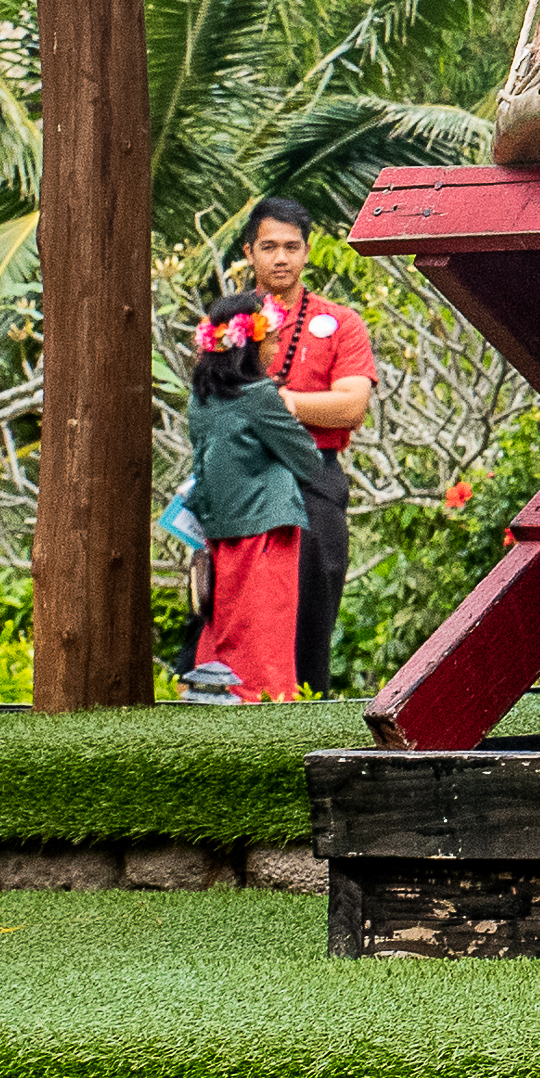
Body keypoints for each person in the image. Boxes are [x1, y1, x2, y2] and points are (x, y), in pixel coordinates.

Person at [211, 198, 376, 691]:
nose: (280, 258)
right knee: (237, 606)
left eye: (291, 247)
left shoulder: (340, 322)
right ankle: (232, 707)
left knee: (314, 597)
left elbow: (350, 407)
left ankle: (310, 704)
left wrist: (275, 403)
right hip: (240, 475)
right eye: (268, 247)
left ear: (307, 253)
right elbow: (213, 401)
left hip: (314, 476)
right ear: (248, 252)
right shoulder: (228, 322)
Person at [180, 266, 324, 701]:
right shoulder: (260, 396)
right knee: (265, 624)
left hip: (219, 532)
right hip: (265, 529)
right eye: (273, 337)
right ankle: (265, 698)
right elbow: (310, 461)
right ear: (251, 342)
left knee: (226, 623)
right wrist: (286, 409)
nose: (277, 346)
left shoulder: (201, 400)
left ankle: (218, 693)